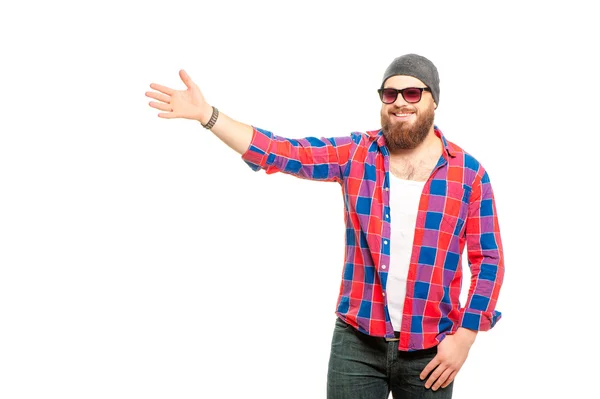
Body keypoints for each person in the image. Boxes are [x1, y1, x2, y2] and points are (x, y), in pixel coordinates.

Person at [145, 53, 505, 399]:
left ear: (433, 101)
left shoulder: (468, 174)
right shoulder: (357, 154)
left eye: (412, 93)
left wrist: (466, 336)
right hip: (357, 343)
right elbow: (283, 151)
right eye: (390, 93)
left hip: (431, 348)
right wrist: (208, 115)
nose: (400, 103)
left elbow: (488, 259)